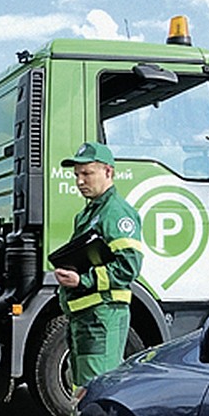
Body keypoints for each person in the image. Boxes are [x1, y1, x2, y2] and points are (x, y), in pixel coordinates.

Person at [53, 142, 143, 390]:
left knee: (95, 391)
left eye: (87, 174)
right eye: (77, 175)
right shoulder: (88, 213)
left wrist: (83, 280)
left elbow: (128, 267)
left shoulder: (116, 212)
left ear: (109, 172)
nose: (80, 181)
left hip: (102, 318)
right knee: (82, 389)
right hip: (86, 318)